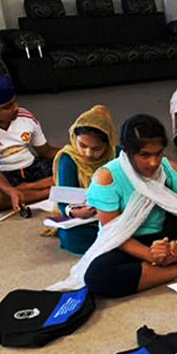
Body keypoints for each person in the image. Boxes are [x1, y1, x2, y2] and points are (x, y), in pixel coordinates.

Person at [48, 114, 177, 298]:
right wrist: (150, 255)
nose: (153, 162)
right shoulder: (107, 177)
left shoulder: (167, 167)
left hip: (170, 235)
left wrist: (176, 248)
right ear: (127, 151)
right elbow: (115, 234)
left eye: (158, 154)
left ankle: (167, 266)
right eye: (144, 155)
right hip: (130, 242)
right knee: (98, 276)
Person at [52, 105, 117, 254]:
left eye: (96, 148)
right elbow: (63, 201)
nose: (88, 153)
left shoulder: (116, 155)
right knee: (71, 236)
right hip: (86, 218)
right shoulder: (69, 158)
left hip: (113, 214)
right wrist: (74, 212)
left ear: (108, 144)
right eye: (82, 145)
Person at [0, 74, 57, 212]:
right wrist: (9, 190)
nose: (16, 108)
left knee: (74, 168)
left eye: (15, 102)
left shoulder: (25, 116)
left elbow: (45, 151)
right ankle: (50, 192)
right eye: (7, 107)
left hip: (33, 168)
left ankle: (25, 191)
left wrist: (73, 153)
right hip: (3, 175)